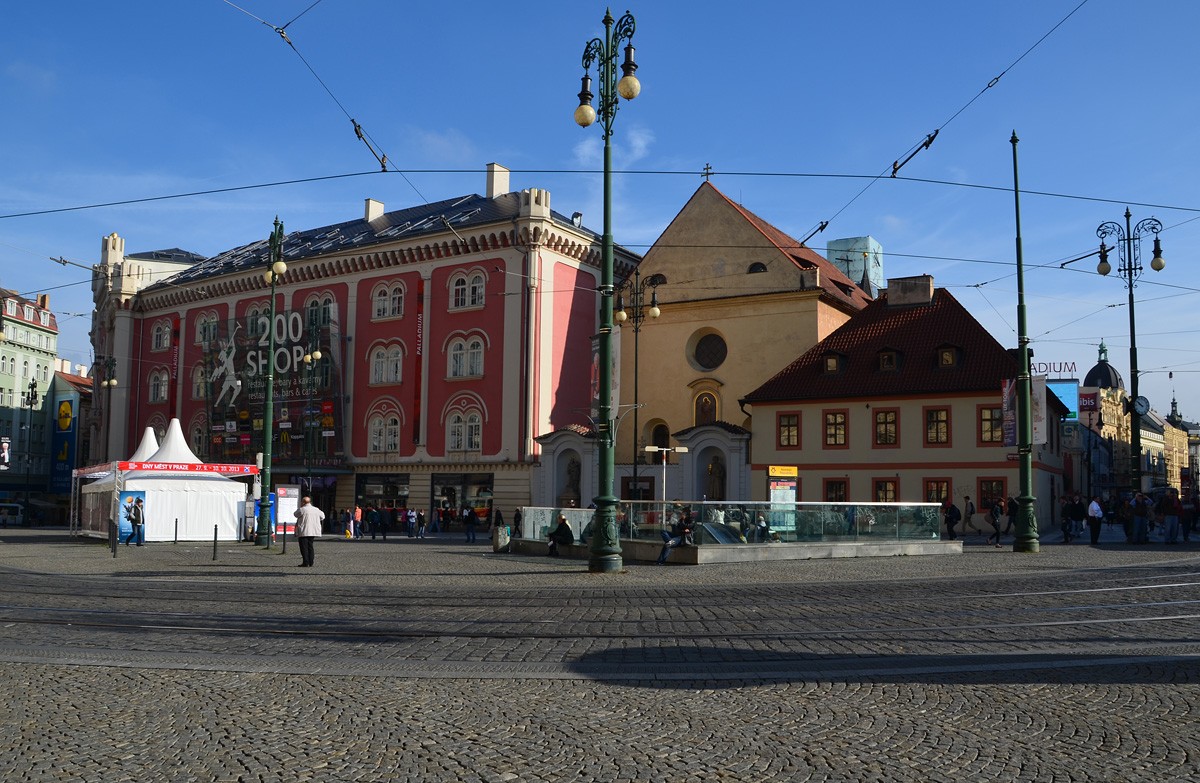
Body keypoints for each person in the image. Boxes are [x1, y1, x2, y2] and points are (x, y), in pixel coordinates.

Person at [293, 496, 325, 567]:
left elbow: (295, 514)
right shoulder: (316, 509)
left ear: (303, 502)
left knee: (304, 547)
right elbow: (323, 516)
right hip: (313, 530)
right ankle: (311, 561)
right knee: (310, 546)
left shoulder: (302, 509)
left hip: (304, 530)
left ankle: (305, 562)